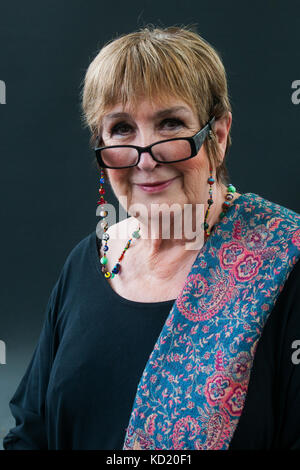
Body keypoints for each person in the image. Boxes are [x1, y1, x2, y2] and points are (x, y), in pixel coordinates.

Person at [3, 25, 300, 451]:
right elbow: (31, 432)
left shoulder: (286, 260)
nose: (147, 156)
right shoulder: (92, 259)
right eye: (122, 128)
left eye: (170, 124)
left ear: (217, 136)